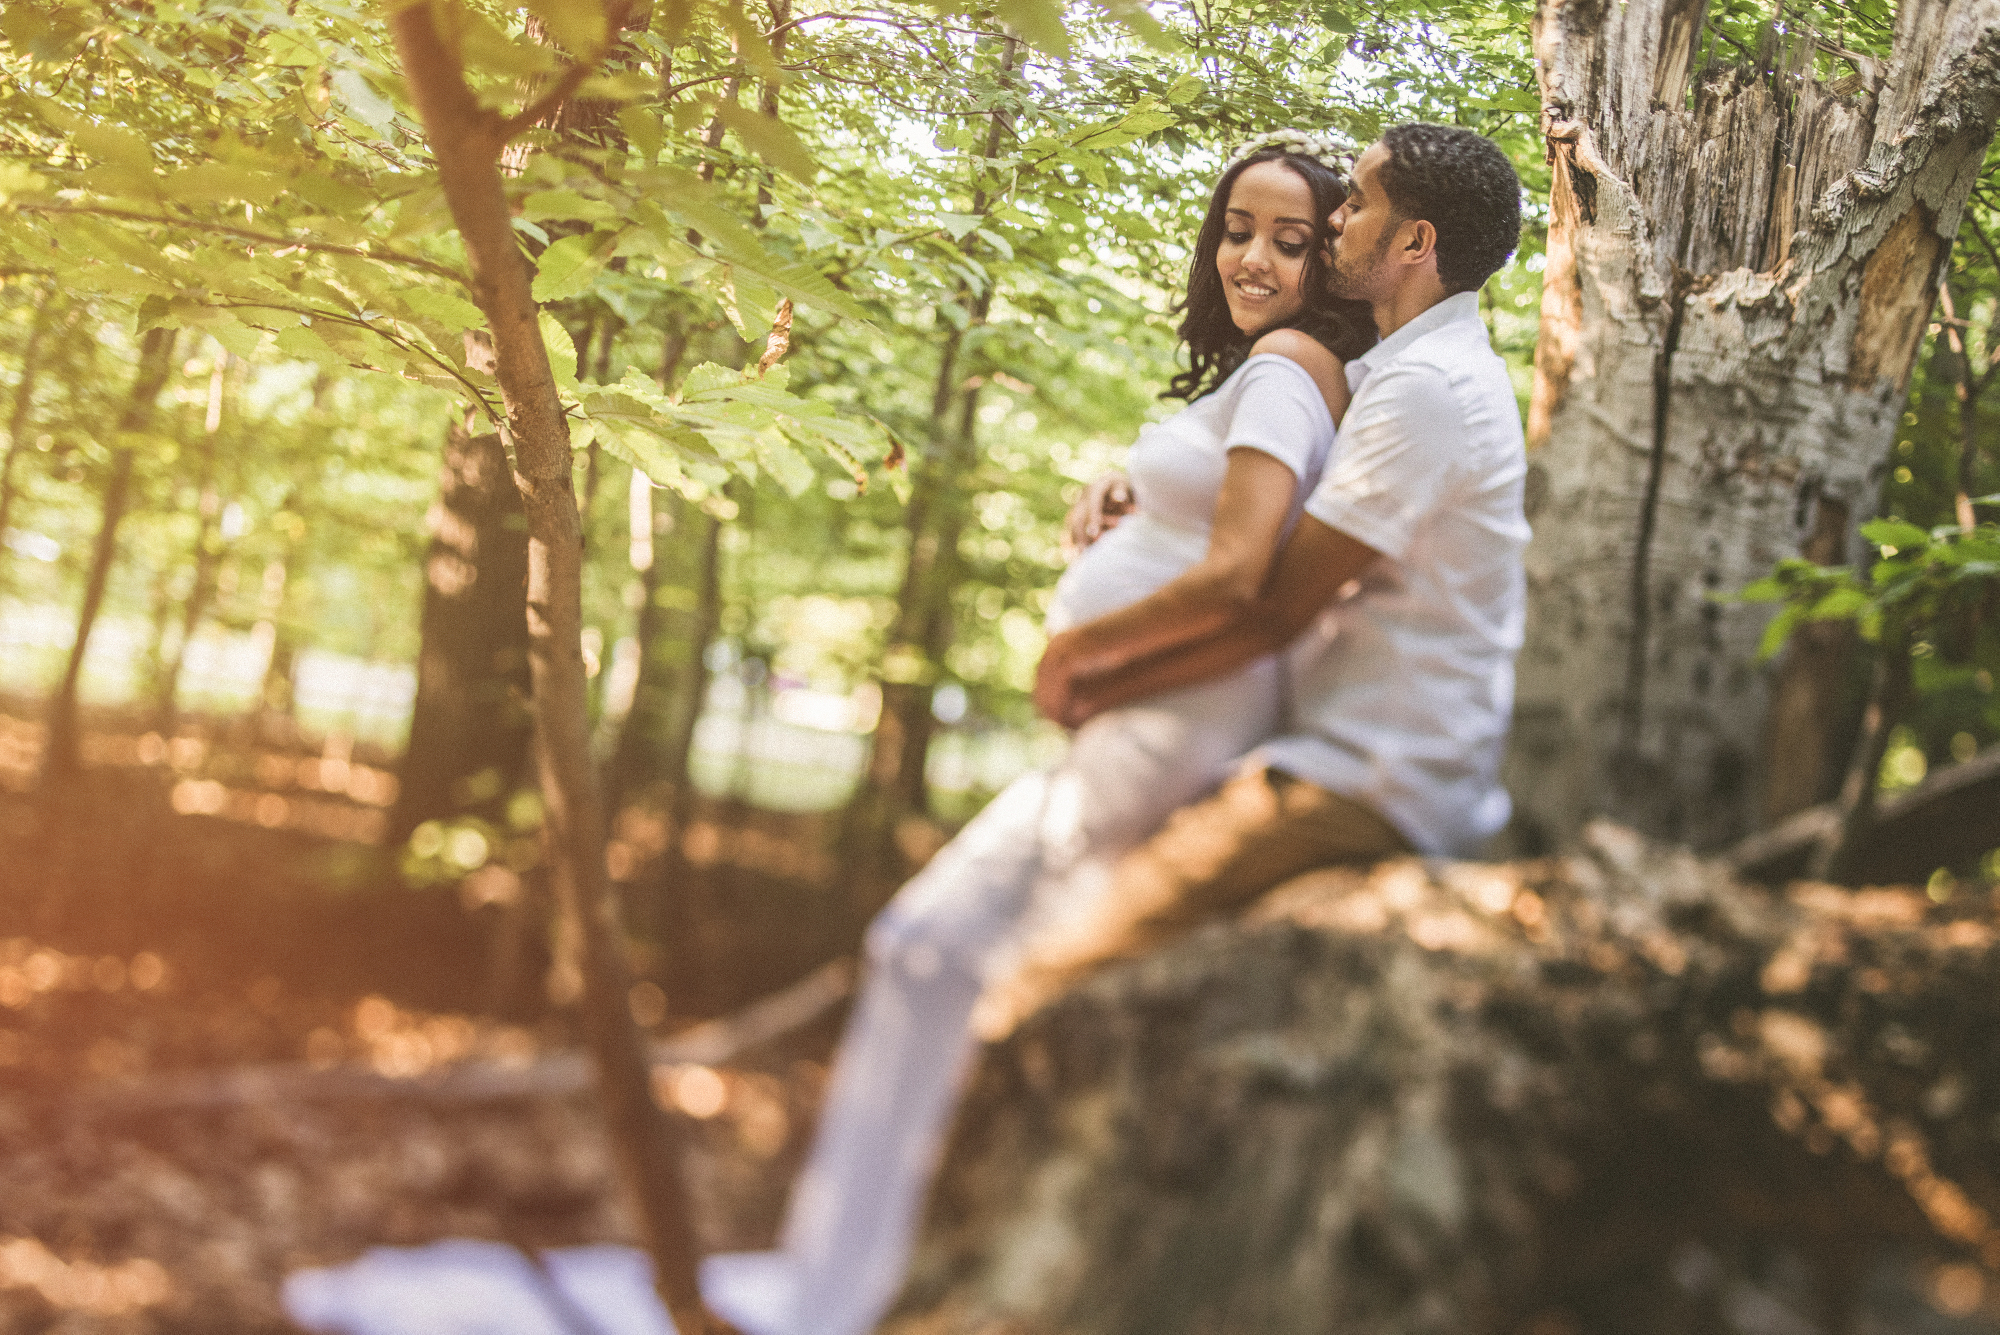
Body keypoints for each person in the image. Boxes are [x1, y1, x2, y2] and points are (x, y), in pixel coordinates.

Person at [698, 129, 1375, 1335]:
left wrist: (1084, 657)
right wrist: (1123, 487)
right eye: (1235, 229)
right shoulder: (1266, 375)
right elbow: (1211, 522)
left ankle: (911, 1290)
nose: (1253, 260)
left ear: (1333, 261)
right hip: (1139, 724)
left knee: (988, 994)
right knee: (920, 949)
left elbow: (1246, 590)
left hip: (1170, 724)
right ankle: (837, 1285)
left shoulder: (1287, 368)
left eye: (1288, 240)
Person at [988, 122, 1529, 1031]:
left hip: (1366, 780)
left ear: (1414, 243)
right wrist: (1154, 494)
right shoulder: (1395, 371)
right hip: (1319, 752)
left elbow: (1270, 607)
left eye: (1355, 203)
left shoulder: (1429, 387)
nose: (1334, 222)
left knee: (1053, 972)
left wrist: (1086, 669)